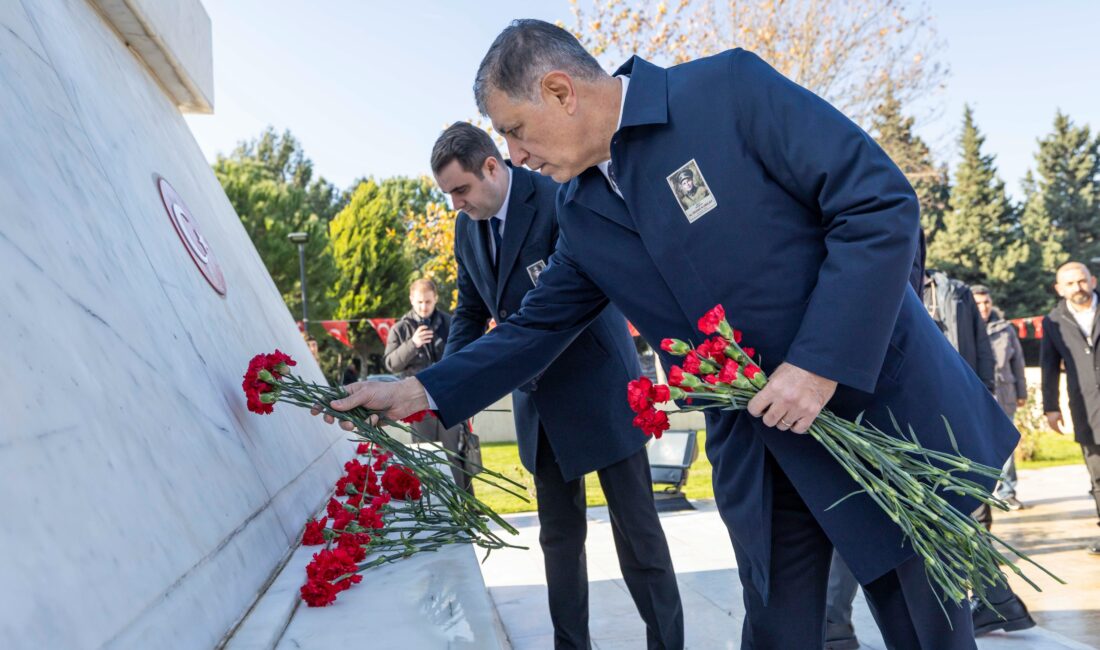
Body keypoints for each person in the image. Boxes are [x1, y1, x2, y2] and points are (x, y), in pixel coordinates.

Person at [322, 20, 1017, 649]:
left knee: (925, 628)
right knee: (776, 628)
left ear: (562, 91)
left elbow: (877, 204)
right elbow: (537, 327)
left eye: (516, 129)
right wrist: (420, 387)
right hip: (763, 447)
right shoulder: (584, 212)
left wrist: (816, 365)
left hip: (872, 415)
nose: (515, 154)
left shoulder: (726, 91)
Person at [430, 122, 683, 649]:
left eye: (461, 189)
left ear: (492, 168)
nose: (455, 203)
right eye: (448, 193)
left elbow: (565, 306)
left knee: (638, 538)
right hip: (538, 403)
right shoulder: (466, 228)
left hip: (601, 388)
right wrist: (441, 390)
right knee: (559, 542)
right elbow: (472, 312)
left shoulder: (558, 197)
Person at [383, 279, 473, 493]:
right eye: (420, 302)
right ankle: (434, 508)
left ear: (436, 299)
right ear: (411, 300)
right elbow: (391, 363)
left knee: (453, 456)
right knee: (425, 457)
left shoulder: (449, 323)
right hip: (417, 403)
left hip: (448, 399)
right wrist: (412, 344)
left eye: (429, 302)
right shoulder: (400, 328)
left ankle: (461, 508)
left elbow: (465, 354)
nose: (424, 307)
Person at [1040, 261, 1100, 556]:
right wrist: (1051, 406)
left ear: (1093, 280)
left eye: (1082, 281)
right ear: (1059, 289)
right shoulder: (1053, 321)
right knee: (1098, 476)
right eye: (1071, 283)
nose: (1078, 287)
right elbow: (1049, 367)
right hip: (1087, 409)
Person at [973, 285, 1028, 509]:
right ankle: (981, 493)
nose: (984, 307)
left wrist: (1022, 393)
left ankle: (1007, 491)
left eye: (986, 302)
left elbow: (1018, 362)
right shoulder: (967, 328)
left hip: (1005, 392)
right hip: (979, 393)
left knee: (1006, 444)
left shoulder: (1005, 329)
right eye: (978, 303)